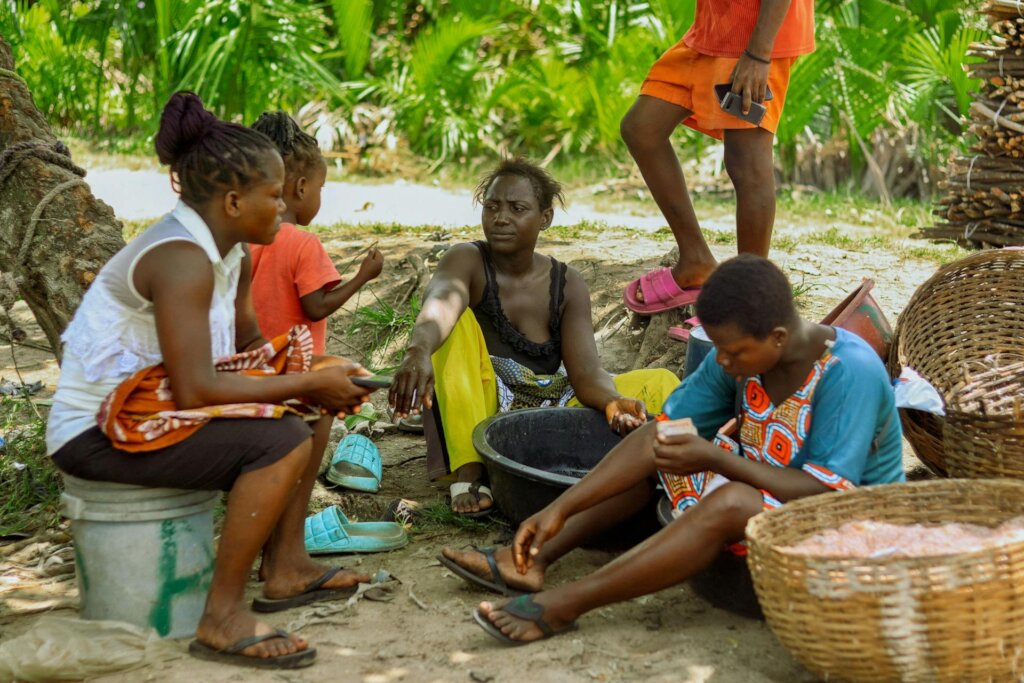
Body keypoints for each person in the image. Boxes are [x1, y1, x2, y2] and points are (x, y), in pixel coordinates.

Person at [46, 92, 374, 669]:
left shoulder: (231, 256)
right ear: (231, 200)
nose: (282, 209)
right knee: (282, 439)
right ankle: (221, 616)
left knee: (311, 407)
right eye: (273, 197)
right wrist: (301, 385)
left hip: (152, 409)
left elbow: (247, 348)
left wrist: (318, 375)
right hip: (97, 431)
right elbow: (198, 389)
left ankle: (288, 567)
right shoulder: (180, 258)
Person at [441, 255, 905, 644]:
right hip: (766, 495)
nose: (722, 363)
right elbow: (659, 435)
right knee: (660, 449)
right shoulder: (742, 352)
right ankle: (531, 560)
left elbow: (822, 491)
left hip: (845, 525)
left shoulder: (849, 372)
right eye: (718, 349)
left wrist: (717, 459)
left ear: (779, 338)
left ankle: (567, 604)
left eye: (733, 353)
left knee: (733, 499)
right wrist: (558, 510)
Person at [389, 158, 679, 516]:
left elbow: (585, 375)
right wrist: (417, 350)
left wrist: (612, 401)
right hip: (481, 409)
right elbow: (441, 303)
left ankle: (666, 471)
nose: (501, 218)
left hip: (549, 412)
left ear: (545, 218)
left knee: (663, 382)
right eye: (492, 206)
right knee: (454, 325)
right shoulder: (467, 260)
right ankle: (472, 470)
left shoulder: (567, 283)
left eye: (517, 208)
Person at [620, 0, 814, 314]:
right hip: (713, 29)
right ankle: (696, 259)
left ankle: (750, 300)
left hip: (754, 41)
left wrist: (758, 54)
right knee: (642, 128)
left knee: (746, 163)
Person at [248, 111, 383, 356]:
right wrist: (363, 276)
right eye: (320, 188)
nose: (320, 195)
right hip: (295, 376)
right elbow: (317, 307)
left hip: (250, 372)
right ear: (301, 188)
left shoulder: (243, 238)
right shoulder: (303, 244)